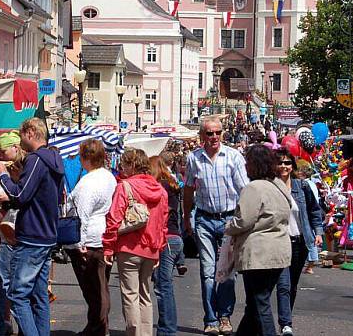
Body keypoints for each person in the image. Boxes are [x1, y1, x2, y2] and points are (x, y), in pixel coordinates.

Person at [0, 118, 65, 336]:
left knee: (18, 295)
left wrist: (3, 175)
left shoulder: (36, 160)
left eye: (22, 135)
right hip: (47, 233)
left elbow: (20, 194)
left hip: (32, 234)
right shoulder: (55, 159)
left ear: (31, 132)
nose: (20, 140)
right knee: (38, 295)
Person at [183, 115, 249, 334]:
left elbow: (244, 190)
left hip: (229, 219)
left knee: (228, 272)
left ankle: (225, 316)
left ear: (223, 134)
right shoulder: (194, 158)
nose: (214, 137)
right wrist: (186, 216)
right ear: (202, 135)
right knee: (208, 271)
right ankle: (211, 319)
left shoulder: (233, 156)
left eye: (217, 132)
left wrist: (245, 219)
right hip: (204, 218)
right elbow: (189, 189)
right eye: (209, 133)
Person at [225, 145, 292, 336]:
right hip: (279, 250)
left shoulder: (253, 188)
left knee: (260, 303)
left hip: (259, 253)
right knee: (255, 303)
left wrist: (229, 227)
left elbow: (244, 220)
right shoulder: (278, 186)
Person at [102, 148, 168, 336]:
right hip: (151, 248)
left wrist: (108, 247)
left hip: (129, 247)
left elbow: (114, 218)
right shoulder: (160, 190)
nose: (122, 168)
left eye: (124, 164)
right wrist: (159, 247)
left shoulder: (125, 186)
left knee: (130, 295)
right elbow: (163, 223)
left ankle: (134, 333)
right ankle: (146, 333)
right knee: (145, 295)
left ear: (132, 165)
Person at [64, 139, 117, 336]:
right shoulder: (108, 177)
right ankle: (97, 325)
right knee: (100, 287)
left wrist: (80, 243)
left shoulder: (88, 183)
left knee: (94, 289)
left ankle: (98, 328)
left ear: (85, 158)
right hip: (103, 235)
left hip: (91, 239)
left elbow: (82, 215)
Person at [274, 149, 323, 336]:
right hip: (279, 243)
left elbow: (314, 211)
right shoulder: (270, 186)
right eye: (280, 162)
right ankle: (286, 324)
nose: (284, 166)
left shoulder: (301, 187)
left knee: (292, 284)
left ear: (292, 166)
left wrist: (318, 232)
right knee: (283, 283)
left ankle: (286, 317)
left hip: (299, 242)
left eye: (287, 163)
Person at [0, 131, 26, 336]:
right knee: (6, 282)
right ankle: (4, 324)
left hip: (18, 234)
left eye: (3, 151)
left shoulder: (21, 169)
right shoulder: (10, 168)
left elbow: (20, 197)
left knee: (5, 282)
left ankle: (3, 326)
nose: (0, 157)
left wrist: (5, 179)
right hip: (6, 231)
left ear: (15, 148)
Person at [150, 154, 184, 336]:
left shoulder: (161, 187)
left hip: (166, 238)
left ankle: (167, 330)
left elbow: (160, 214)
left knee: (163, 286)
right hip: (175, 237)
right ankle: (167, 328)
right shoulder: (172, 184)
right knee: (164, 285)